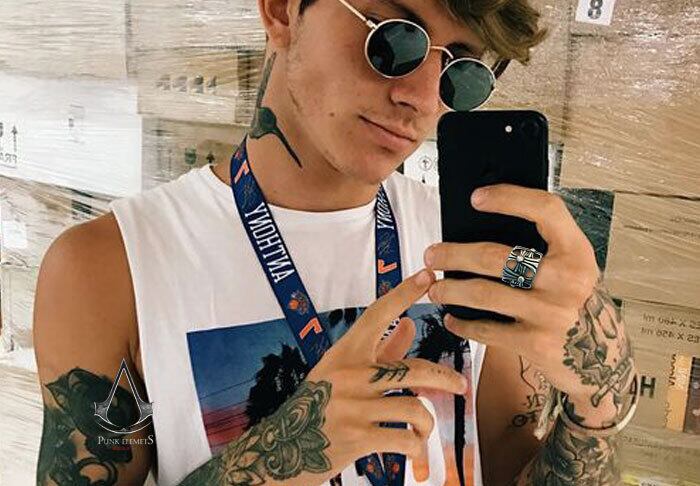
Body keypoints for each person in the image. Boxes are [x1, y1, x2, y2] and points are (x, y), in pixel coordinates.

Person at [33, 0, 638, 485]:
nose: (423, 98)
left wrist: (598, 405)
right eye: (394, 39)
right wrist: (278, 458)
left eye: (461, 70)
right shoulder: (107, 268)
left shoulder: (472, 253)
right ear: (281, 11)